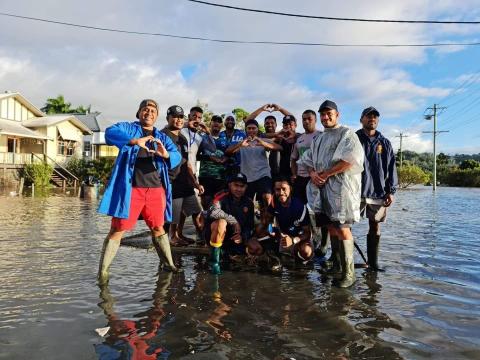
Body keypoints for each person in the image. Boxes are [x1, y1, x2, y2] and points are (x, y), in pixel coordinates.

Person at [97, 99, 182, 284]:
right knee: (118, 229)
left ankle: (168, 264)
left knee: (158, 228)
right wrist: (134, 141)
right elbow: (110, 133)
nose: (149, 112)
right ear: (139, 113)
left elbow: (177, 155)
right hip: (131, 189)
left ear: (157, 115)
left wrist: (165, 154)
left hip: (155, 189)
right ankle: (103, 272)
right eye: (145, 109)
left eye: (153, 110)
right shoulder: (128, 128)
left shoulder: (162, 137)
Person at [298, 100, 364, 288]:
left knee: (343, 228)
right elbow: (306, 159)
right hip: (322, 189)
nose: (326, 117)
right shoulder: (319, 138)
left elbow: (351, 160)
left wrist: (326, 174)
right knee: (332, 226)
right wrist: (312, 173)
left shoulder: (346, 134)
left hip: (341, 190)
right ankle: (336, 265)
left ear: (337, 114)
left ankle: (348, 274)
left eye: (329, 114)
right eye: (323, 114)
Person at [356, 106, 398, 271]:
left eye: (374, 117)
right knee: (344, 224)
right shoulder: (353, 138)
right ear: (361, 119)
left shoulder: (385, 142)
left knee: (375, 226)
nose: (371, 119)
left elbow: (391, 167)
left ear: (377, 120)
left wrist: (391, 191)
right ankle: (342, 262)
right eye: (368, 116)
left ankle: (373, 263)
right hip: (355, 191)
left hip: (378, 191)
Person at [247, 177, 314, 271]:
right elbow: (268, 221)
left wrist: (293, 240)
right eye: (278, 189)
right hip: (282, 236)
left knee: (306, 251)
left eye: (284, 189)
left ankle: (298, 263)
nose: (281, 192)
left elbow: (308, 233)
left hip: (298, 238)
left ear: (290, 189)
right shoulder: (274, 201)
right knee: (257, 234)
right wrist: (270, 230)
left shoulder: (299, 206)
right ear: (274, 190)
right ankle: (270, 256)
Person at [161, 105, 203, 247]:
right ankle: (171, 238)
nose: (178, 119)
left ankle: (179, 234)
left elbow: (188, 164)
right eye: (174, 116)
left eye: (180, 117)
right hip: (171, 181)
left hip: (185, 180)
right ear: (168, 118)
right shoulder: (163, 135)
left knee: (195, 210)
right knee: (173, 215)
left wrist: (195, 183)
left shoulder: (183, 139)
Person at [290, 109, 329, 257]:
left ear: (315, 120)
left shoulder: (321, 136)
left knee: (321, 212)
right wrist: (294, 174)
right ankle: (304, 240)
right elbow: (293, 158)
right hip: (301, 179)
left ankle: (323, 245)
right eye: (304, 119)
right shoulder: (299, 139)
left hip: (317, 179)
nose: (306, 121)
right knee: (300, 211)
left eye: (309, 119)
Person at [177, 106, 216, 243]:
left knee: (195, 208)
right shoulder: (181, 130)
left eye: (199, 118)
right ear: (189, 116)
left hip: (192, 173)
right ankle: (176, 235)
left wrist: (208, 132)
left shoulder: (199, 136)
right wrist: (187, 124)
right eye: (194, 116)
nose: (197, 119)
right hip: (177, 172)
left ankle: (201, 236)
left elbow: (212, 149)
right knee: (178, 206)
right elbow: (167, 128)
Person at [225, 119, 282, 210]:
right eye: (249, 128)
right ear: (246, 130)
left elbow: (279, 147)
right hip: (247, 177)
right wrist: (240, 145)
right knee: (248, 204)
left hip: (263, 175)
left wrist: (262, 143)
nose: (251, 130)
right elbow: (228, 152)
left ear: (257, 129)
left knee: (267, 198)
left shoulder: (263, 140)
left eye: (253, 128)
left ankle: (267, 223)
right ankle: (250, 223)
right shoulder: (242, 142)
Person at [204, 173, 255, 274]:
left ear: (246, 187)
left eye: (242, 186)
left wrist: (242, 236)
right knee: (221, 223)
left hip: (235, 238)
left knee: (255, 248)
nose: (239, 189)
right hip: (215, 235)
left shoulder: (249, 202)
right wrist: (233, 221)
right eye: (236, 185)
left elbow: (250, 225)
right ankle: (214, 262)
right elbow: (213, 211)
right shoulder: (221, 196)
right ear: (229, 185)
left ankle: (228, 253)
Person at [244, 103, 294, 178]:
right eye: (267, 123)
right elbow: (248, 121)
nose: (270, 125)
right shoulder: (259, 136)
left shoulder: (283, 135)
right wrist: (261, 109)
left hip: (282, 173)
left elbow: (292, 120)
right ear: (264, 125)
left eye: (272, 123)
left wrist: (280, 109)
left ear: (276, 124)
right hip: (262, 174)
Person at [198, 115, 227, 209]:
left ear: (222, 125)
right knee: (206, 204)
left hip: (221, 177)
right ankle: (206, 223)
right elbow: (196, 155)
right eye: (214, 120)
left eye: (219, 121)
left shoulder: (225, 139)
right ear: (210, 123)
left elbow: (230, 155)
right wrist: (209, 157)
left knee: (219, 205)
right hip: (206, 176)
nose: (216, 123)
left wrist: (225, 158)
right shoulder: (202, 138)